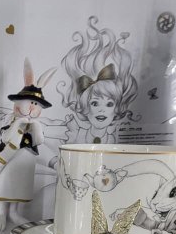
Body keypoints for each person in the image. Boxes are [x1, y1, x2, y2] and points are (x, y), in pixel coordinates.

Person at [58, 16, 138, 144]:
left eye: (109, 104)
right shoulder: (74, 133)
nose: (102, 110)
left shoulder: (113, 139)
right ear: (85, 106)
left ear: (117, 108)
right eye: (95, 103)